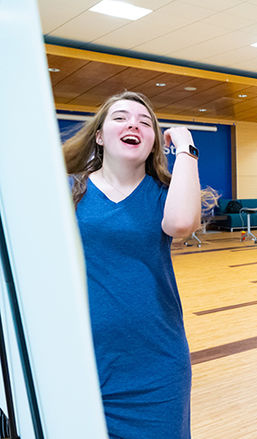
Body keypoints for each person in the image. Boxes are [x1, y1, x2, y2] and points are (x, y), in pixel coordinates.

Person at [63, 90, 201, 438]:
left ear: (154, 141)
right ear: (99, 135)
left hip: (157, 365)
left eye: (145, 123)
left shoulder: (163, 195)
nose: (133, 125)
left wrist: (184, 146)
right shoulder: (68, 191)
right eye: (121, 118)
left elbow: (182, 223)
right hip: (82, 362)